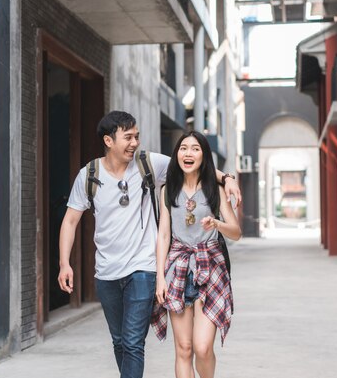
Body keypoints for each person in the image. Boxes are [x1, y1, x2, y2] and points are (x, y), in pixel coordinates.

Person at [58, 111, 241, 378]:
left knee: (133, 342)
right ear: (109, 141)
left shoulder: (148, 163)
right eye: (128, 137)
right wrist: (65, 262)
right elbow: (70, 221)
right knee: (120, 341)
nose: (134, 143)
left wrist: (227, 178)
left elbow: (190, 163)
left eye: (137, 137)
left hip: (144, 267)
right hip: (107, 270)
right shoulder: (90, 175)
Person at [151, 131, 242, 378]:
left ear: (204, 156)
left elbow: (235, 232)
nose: (188, 153)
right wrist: (160, 277)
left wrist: (216, 224)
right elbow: (163, 236)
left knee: (202, 348)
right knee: (184, 348)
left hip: (210, 269)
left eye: (195, 149)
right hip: (177, 270)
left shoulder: (215, 189)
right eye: (183, 148)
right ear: (177, 154)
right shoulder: (167, 190)